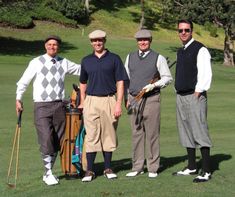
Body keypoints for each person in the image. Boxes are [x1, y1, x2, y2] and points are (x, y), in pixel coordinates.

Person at [16, 35, 81, 186]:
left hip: (59, 105)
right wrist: (18, 98)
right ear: (45, 46)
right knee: (46, 138)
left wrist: (95, 64)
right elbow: (24, 81)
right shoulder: (36, 62)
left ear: (58, 47)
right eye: (49, 44)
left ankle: (49, 172)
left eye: (55, 45)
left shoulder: (63, 62)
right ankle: (48, 173)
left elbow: (80, 69)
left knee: (59, 139)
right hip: (42, 106)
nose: (52, 47)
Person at [79, 30, 128, 182]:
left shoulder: (114, 59)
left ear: (104, 40)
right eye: (94, 41)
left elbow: (120, 82)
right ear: (91, 43)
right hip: (91, 101)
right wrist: (83, 101)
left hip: (109, 100)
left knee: (109, 134)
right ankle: (90, 171)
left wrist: (118, 103)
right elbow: (83, 82)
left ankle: (108, 168)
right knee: (91, 135)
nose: (97, 43)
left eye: (100, 40)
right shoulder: (86, 60)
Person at [124, 29, 172, 178]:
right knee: (136, 133)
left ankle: (152, 167)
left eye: (145, 40)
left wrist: (154, 85)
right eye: (140, 40)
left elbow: (167, 78)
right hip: (133, 99)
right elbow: (125, 78)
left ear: (150, 41)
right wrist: (127, 97)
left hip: (151, 99)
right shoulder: (130, 57)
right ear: (137, 42)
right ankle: (137, 166)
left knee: (152, 134)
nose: (142, 42)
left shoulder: (159, 58)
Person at [173, 19, 213, 183]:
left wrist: (198, 92)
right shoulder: (181, 51)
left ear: (192, 31)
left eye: (186, 30)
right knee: (186, 132)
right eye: (181, 30)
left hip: (194, 96)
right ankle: (191, 167)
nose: (183, 33)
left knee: (199, 132)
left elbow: (205, 73)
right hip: (181, 96)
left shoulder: (200, 49)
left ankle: (207, 170)